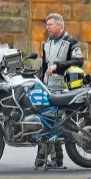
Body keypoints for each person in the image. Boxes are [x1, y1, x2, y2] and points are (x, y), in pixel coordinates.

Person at [36, 13, 84, 169]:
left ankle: (57, 160)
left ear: (60, 26)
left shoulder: (71, 42)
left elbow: (78, 61)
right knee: (44, 121)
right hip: (47, 88)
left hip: (64, 89)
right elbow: (44, 66)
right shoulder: (47, 43)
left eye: (50, 24)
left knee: (56, 123)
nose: (47, 27)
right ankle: (42, 159)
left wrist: (58, 66)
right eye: (47, 24)